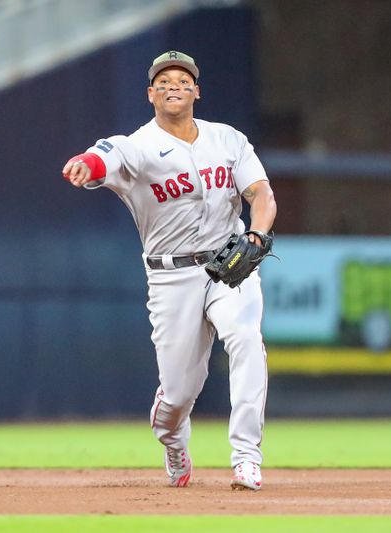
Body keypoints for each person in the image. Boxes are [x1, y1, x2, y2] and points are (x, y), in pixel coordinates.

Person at [61, 50, 277, 491]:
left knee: (245, 338)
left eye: (182, 79)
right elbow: (106, 155)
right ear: (150, 94)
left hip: (228, 265)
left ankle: (246, 458)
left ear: (197, 90)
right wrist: (89, 164)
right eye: (163, 80)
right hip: (170, 276)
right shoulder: (138, 145)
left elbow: (262, 195)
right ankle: (173, 440)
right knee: (179, 393)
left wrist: (255, 237)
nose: (173, 84)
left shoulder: (228, 140)